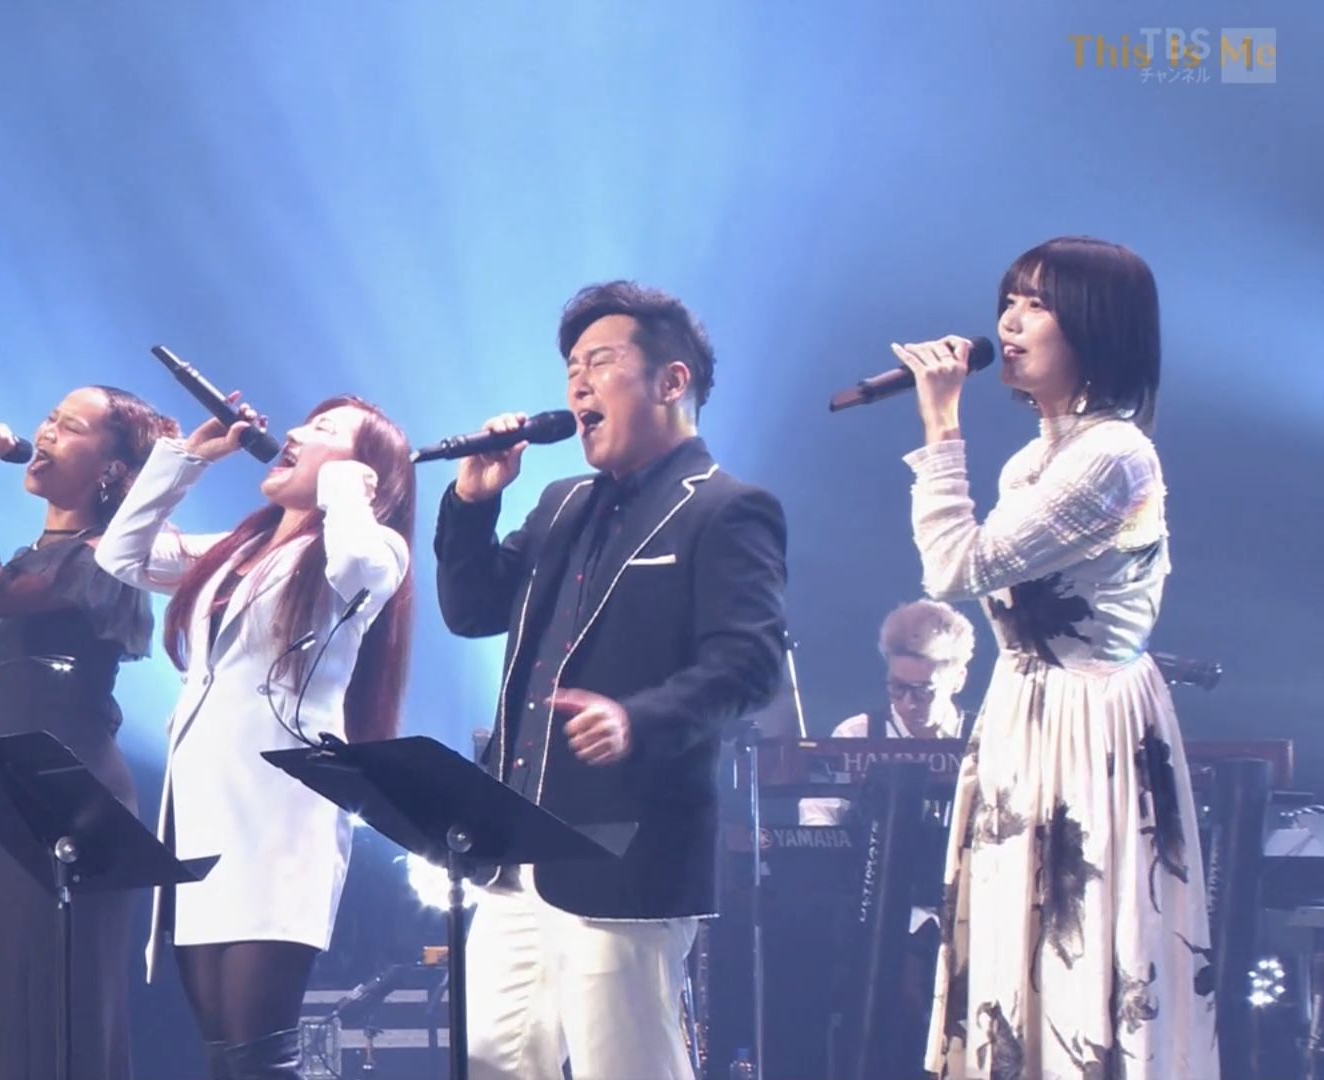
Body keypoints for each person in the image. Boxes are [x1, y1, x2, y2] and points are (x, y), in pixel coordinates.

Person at [434, 281, 788, 1080]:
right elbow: (472, 609)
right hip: (513, 848)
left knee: (624, 1067)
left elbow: (749, 661)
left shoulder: (726, 508)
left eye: (599, 362)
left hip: (625, 848)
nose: (578, 386)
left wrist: (639, 719)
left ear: (672, 381)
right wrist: (473, 504)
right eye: (570, 371)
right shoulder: (560, 504)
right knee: (489, 1061)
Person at [892, 236, 1216, 1077]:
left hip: (1087, 722)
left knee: (1081, 950)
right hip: (1022, 714)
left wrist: (940, 423)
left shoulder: (1116, 456)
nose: (1010, 320)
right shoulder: (1035, 460)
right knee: (1015, 951)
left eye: (1037, 304)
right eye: (1010, 300)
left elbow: (954, 567)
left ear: (1096, 327)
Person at [96, 394, 415, 1080]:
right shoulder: (235, 549)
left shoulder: (370, 546)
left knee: (258, 1052)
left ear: (366, 472)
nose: (294, 431)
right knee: (222, 1051)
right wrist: (189, 459)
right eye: (306, 421)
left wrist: (346, 489)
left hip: (278, 819)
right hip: (203, 815)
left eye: (324, 430)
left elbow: (357, 570)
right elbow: (123, 555)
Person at [0, 387, 176, 1080]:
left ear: (110, 468)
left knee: (62, 1010)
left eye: (69, 427)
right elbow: (3, 701)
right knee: (3, 1019)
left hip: (78, 802)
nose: (44, 433)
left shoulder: (103, 559)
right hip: (10, 805)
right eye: (48, 418)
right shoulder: (29, 559)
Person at [799, 598, 974, 827]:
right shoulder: (856, 735)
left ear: (958, 680)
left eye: (923, 691)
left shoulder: (985, 738)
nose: (908, 704)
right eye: (897, 687)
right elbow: (817, 815)